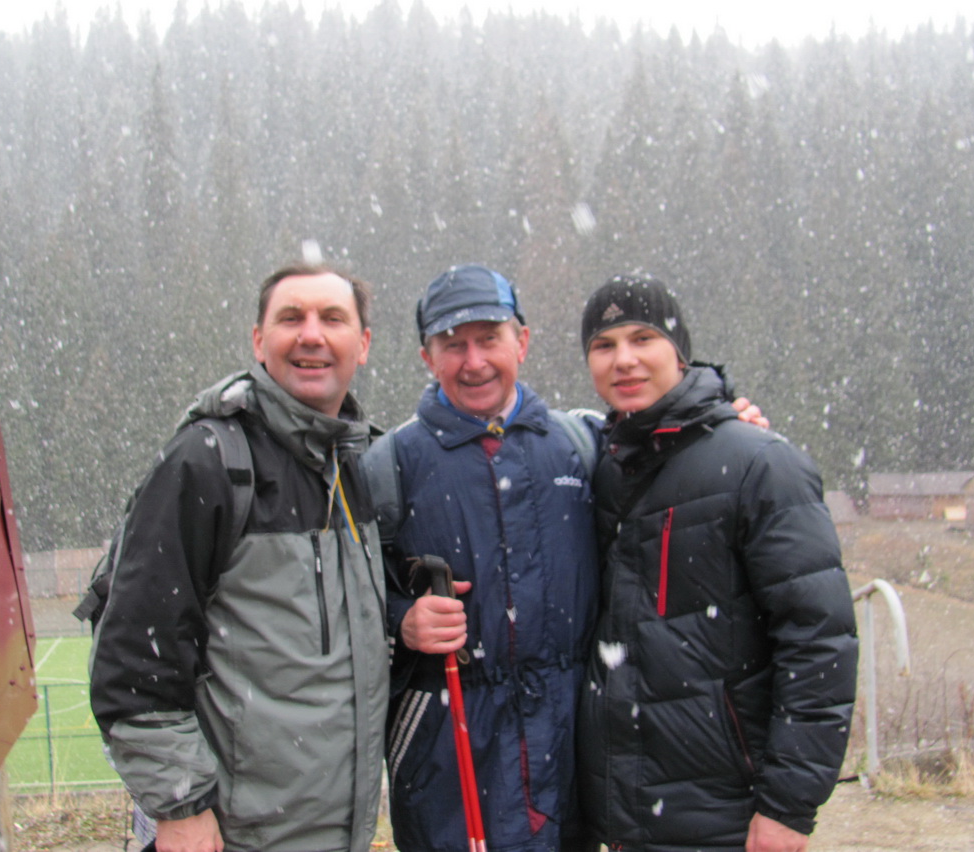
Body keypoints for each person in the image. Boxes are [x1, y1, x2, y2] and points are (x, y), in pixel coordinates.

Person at [367, 265, 767, 852]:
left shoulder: (587, 444)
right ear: (428, 357)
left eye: (489, 339)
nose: (474, 362)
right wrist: (402, 621)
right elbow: (350, 601)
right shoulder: (387, 465)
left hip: (572, 751)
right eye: (453, 345)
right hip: (448, 766)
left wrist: (727, 430)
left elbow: (677, 468)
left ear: (522, 342)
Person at [88, 265, 389, 852]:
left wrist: (408, 620)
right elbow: (136, 656)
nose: (311, 335)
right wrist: (179, 804)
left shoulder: (358, 466)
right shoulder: (207, 462)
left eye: (332, 319)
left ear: (363, 344)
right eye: (291, 318)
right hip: (233, 835)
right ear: (258, 340)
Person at [575, 274, 858, 852]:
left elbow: (818, 643)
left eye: (642, 338)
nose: (623, 359)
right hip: (629, 815)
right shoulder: (606, 468)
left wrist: (788, 807)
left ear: (679, 351)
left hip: (727, 813)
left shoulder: (760, 465)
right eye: (604, 345)